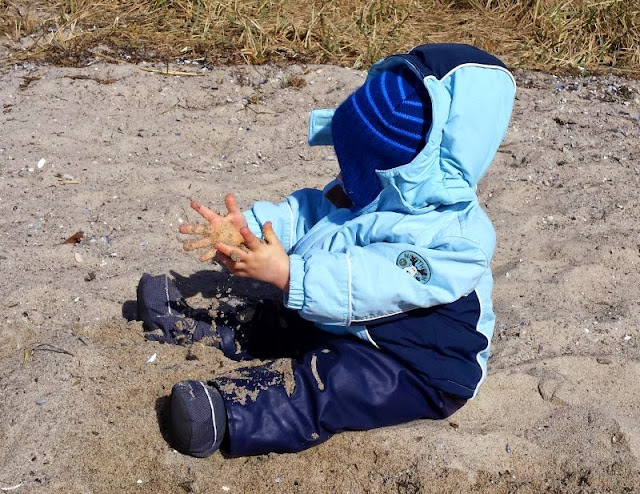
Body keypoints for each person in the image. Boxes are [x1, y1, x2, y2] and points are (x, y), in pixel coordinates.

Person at [136, 42, 516, 458]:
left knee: (331, 384)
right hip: (344, 318)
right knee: (281, 317)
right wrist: (249, 229)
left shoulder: (455, 239)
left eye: (362, 165)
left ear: (413, 166)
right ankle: (208, 328)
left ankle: (228, 413)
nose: (347, 176)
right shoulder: (372, 185)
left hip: (416, 364)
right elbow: (311, 213)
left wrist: (288, 274)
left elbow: (372, 283)